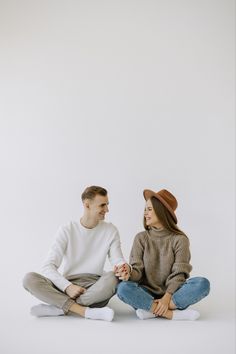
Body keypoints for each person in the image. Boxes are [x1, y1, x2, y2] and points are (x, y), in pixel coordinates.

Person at [23, 185, 129, 322]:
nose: (107, 210)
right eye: (102, 205)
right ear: (87, 205)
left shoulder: (110, 230)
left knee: (113, 277)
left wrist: (123, 268)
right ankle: (84, 311)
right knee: (29, 279)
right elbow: (48, 266)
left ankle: (61, 307)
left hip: (94, 289)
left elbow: (117, 260)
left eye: (107, 205)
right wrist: (68, 287)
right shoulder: (67, 229)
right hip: (68, 284)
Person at [116, 188, 210, 321]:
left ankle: (151, 310)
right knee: (122, 288)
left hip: (173, 294)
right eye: (145, 209)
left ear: (161, 211)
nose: (145, 213)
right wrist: (129, 273)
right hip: (145, 293)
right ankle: (171, 314)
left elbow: (179, 274)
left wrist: (167, 297)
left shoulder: (180, 239)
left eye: (149, 209)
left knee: (202, 283)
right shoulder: (141, 238)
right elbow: (137, 272)